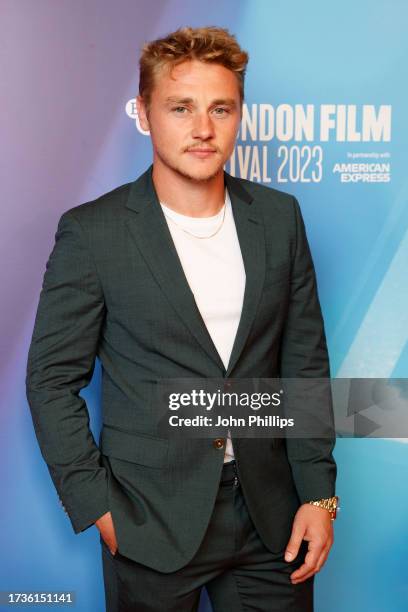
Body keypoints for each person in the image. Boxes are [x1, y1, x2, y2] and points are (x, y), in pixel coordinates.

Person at [26, 25, 338, 612]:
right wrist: (98, 507)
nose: (203, 128)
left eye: (221, 108)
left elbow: (304, 366)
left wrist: (319, 496)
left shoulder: (279, 218)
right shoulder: (93, 233)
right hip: (147, 518)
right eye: (181, 107)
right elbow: (50, 380)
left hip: (272, 517)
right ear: (144, 114)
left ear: (239, 115)